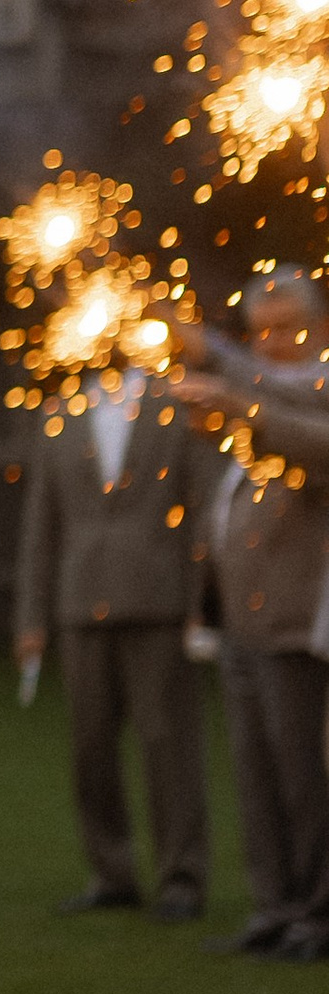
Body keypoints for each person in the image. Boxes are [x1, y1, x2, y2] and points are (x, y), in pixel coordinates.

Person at [14, 357, 211, 917]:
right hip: (81, 603)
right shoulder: (58, 414)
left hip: (158, 601)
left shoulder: (174, 409)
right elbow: (41, 521)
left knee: (167, 744)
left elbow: (199, 510)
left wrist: (202, 606)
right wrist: (30, 617)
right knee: (90, 746)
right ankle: (111, 873)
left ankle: (181, 878)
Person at [173, 281, 329, 954]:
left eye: (287, 327)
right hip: (239, 622)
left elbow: (311, 436)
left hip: (296, 622)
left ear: (321, 326)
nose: (272, 343)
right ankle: (273, 908)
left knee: (303, 780)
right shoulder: (266, 399)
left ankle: (316, 916)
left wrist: (235, 390)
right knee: (256, 778)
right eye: (261, 330)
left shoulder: (312, 392)